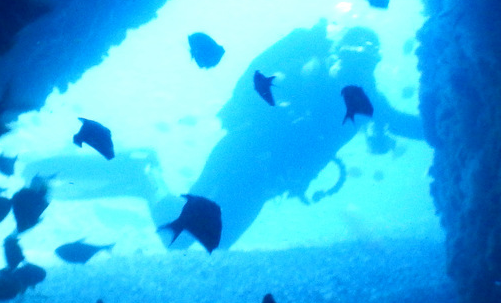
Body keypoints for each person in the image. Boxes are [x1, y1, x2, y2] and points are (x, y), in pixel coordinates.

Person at [170, 20, 423, 249]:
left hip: (270, 180)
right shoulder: (308, 71)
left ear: (374, 64)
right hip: (239, 151)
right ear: (338, 52)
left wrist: (443, 125)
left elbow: (400, 123)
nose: (356, 69)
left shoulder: (367, 101)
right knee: (180, 231)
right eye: (351, 57)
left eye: (365, 62)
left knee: (219, 243)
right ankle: (150, 183)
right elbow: (257, 83)